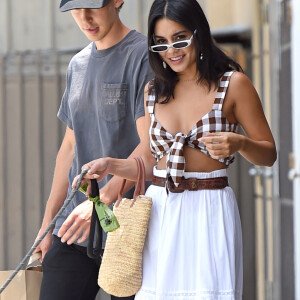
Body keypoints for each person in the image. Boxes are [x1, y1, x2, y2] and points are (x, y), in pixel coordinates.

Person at [73, 0, 277, 299]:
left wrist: (240, 143)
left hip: (210, 207)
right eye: (160, 43)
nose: (172, 50)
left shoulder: (233, 84)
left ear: (199, 33)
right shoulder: (153, 91)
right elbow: (153, 161)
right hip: (160, 209)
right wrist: (110, 165)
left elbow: (269, 154)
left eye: (180, 38)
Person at [35, 0, 153, 299]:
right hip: (75, 223)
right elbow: (70, 147)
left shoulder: (143, 56)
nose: (84, 18)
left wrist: (101, 203)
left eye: (92, 6)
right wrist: (49, 224)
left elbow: (150, 143)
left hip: (128, 226)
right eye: (75, 9)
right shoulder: (78, 64)